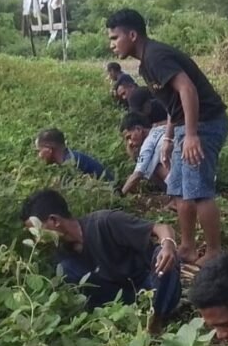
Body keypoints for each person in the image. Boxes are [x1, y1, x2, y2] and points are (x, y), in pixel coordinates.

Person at [107, 8, 228, 265]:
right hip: (186, 125)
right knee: (179, 189)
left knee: (199, 190)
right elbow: (174, 104)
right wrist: (171, 139)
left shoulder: (156, 56)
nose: (112, 45)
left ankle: (215, 252)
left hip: (205, 123)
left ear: (132, 34)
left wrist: (193, 134)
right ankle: (187, 247)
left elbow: (187, 89)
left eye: (115, 38)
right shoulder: (146, 65)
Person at [19, 189, 181, 323]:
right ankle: (127, 319)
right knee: (66, 269)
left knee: (165, 255)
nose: (36, 238)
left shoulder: (105, 222)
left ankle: (156, 319)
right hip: (122, 301)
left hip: (151, 286)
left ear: (54, 220)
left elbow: (162, 228)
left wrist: (167, 245)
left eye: (36, 230)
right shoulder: (62, 255)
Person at [35, 128, 114, 181]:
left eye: (39, 150)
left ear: (49, 150)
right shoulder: (69, 157)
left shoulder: (72, 162)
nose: (38, 155)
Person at [119, 112, 169, 195]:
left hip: (184, 174)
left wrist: (120, 196)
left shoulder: (148, 144)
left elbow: (137, 175)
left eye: (129, 137)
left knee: (151, 168)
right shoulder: (160, 128)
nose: (130, 143)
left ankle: (176, 196)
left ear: (138, 129)